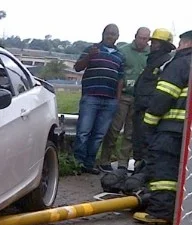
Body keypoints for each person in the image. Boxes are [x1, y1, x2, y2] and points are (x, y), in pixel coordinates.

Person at [133, 29, 192, 225]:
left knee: (164, 170)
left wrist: (149, 124)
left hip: (172, 129)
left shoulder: (181, 63)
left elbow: (163, 96)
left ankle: (161, 212)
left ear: (185, 43)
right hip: (186, 131)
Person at [72, 24, 125, 174]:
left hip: (110, 101)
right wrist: (89, 56)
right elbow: (77, 68)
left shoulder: (120, 56)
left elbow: (120, 79)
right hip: (91, 97)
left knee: (98, 135)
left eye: (114, 34)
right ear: (103, 34)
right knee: (83, 132)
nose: (111, 36)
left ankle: (89, 164)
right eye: (108, 33)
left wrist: (117, 100)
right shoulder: (92, 49)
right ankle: (78, 163)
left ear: (117, 37)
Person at [98, 27, 150, 172]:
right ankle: (105, 159)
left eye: (146, 39)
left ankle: (123, 162)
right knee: (114, 130)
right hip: (123, 96)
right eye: (141, 38)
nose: (143, 41)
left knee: (130, 133)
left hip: (138, 98)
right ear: (135, 36)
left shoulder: (150, 54)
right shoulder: (123, 51)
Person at [130, 28, 176, 164]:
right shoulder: (153, 61)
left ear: (164, 45)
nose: (152, 45)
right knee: (138, 142)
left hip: (149, 110)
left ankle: (143, 174)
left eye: (155, 43)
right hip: (141, 108)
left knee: (146, 144)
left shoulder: (165, 62)